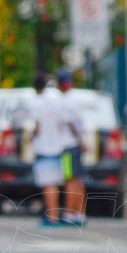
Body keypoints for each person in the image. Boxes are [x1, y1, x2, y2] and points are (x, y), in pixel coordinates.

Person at [29, 74, 70, 226]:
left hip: (44, 147)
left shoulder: (38, 102)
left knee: (47, 184)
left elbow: (37, 126)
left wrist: (31, 138)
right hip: (58, 147)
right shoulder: (59, 99)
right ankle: (55, 214)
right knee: (56, 183)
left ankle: (52, 216)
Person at [56, 70, 87, 226]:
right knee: (78, 179)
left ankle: (69, 213)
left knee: (69, 180)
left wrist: (80, 140)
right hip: (75, 145)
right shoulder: (76, 99)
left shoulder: (65, 101)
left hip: (68, 145)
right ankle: (80, 212)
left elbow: (70, 122)